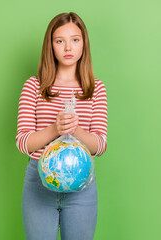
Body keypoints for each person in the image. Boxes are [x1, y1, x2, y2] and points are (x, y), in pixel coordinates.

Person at [16, 12, 108, 240]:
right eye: (60, 41)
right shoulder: (34, 86)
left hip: (82, 186)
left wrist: (75, 131)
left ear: (84, 44)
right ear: (51, 45)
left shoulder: (95, 88)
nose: (68, 47)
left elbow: (100, 145)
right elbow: (23, 142)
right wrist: (55, 129)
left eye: (75, 40)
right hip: (39, 183)